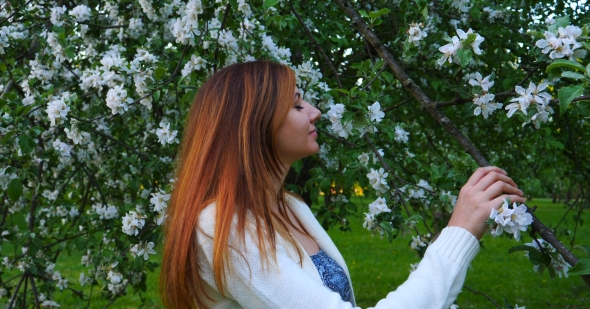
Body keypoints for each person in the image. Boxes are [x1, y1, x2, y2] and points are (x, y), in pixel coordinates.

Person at [159, 61, 524, 309]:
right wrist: (458, 232)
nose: (315, 111)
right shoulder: (221, 226)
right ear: (253, 123)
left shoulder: (292, 208)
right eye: (297, 105)